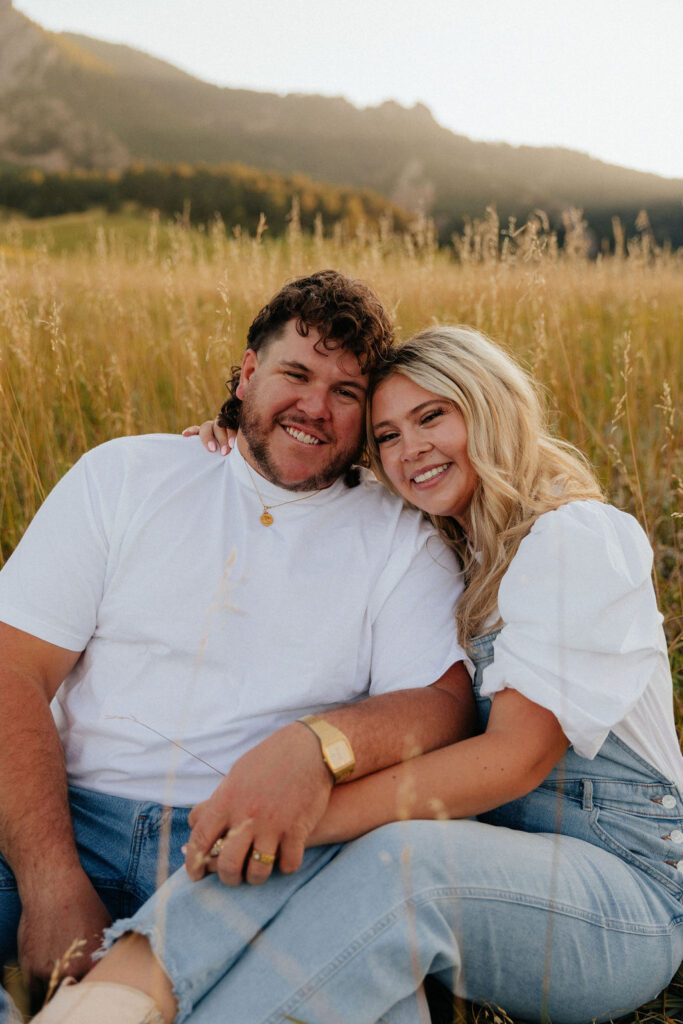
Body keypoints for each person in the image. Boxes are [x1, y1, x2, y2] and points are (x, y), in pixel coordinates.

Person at [35, 324, 683, 1024]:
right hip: (500, 874)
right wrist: (237, 440)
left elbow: (515, 758)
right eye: (387, 437)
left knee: (398, 855)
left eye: (432, 416)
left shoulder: (572, 537)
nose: (412, 450)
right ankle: (117, 999)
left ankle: (131, 987)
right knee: (363, 841)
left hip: (622, 900)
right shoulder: (449, 539)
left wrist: (302, 812)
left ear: (490, 405)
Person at [0, 275, 477, 1024]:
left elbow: (444, 705)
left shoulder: (397, 536)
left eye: (346, 392)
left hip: (260, 850)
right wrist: (50, 879)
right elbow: (14, 671)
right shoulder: (127, 475)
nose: (315, 407)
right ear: (248, 373)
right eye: (295, 374)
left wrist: (316, 746)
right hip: (66, 818)